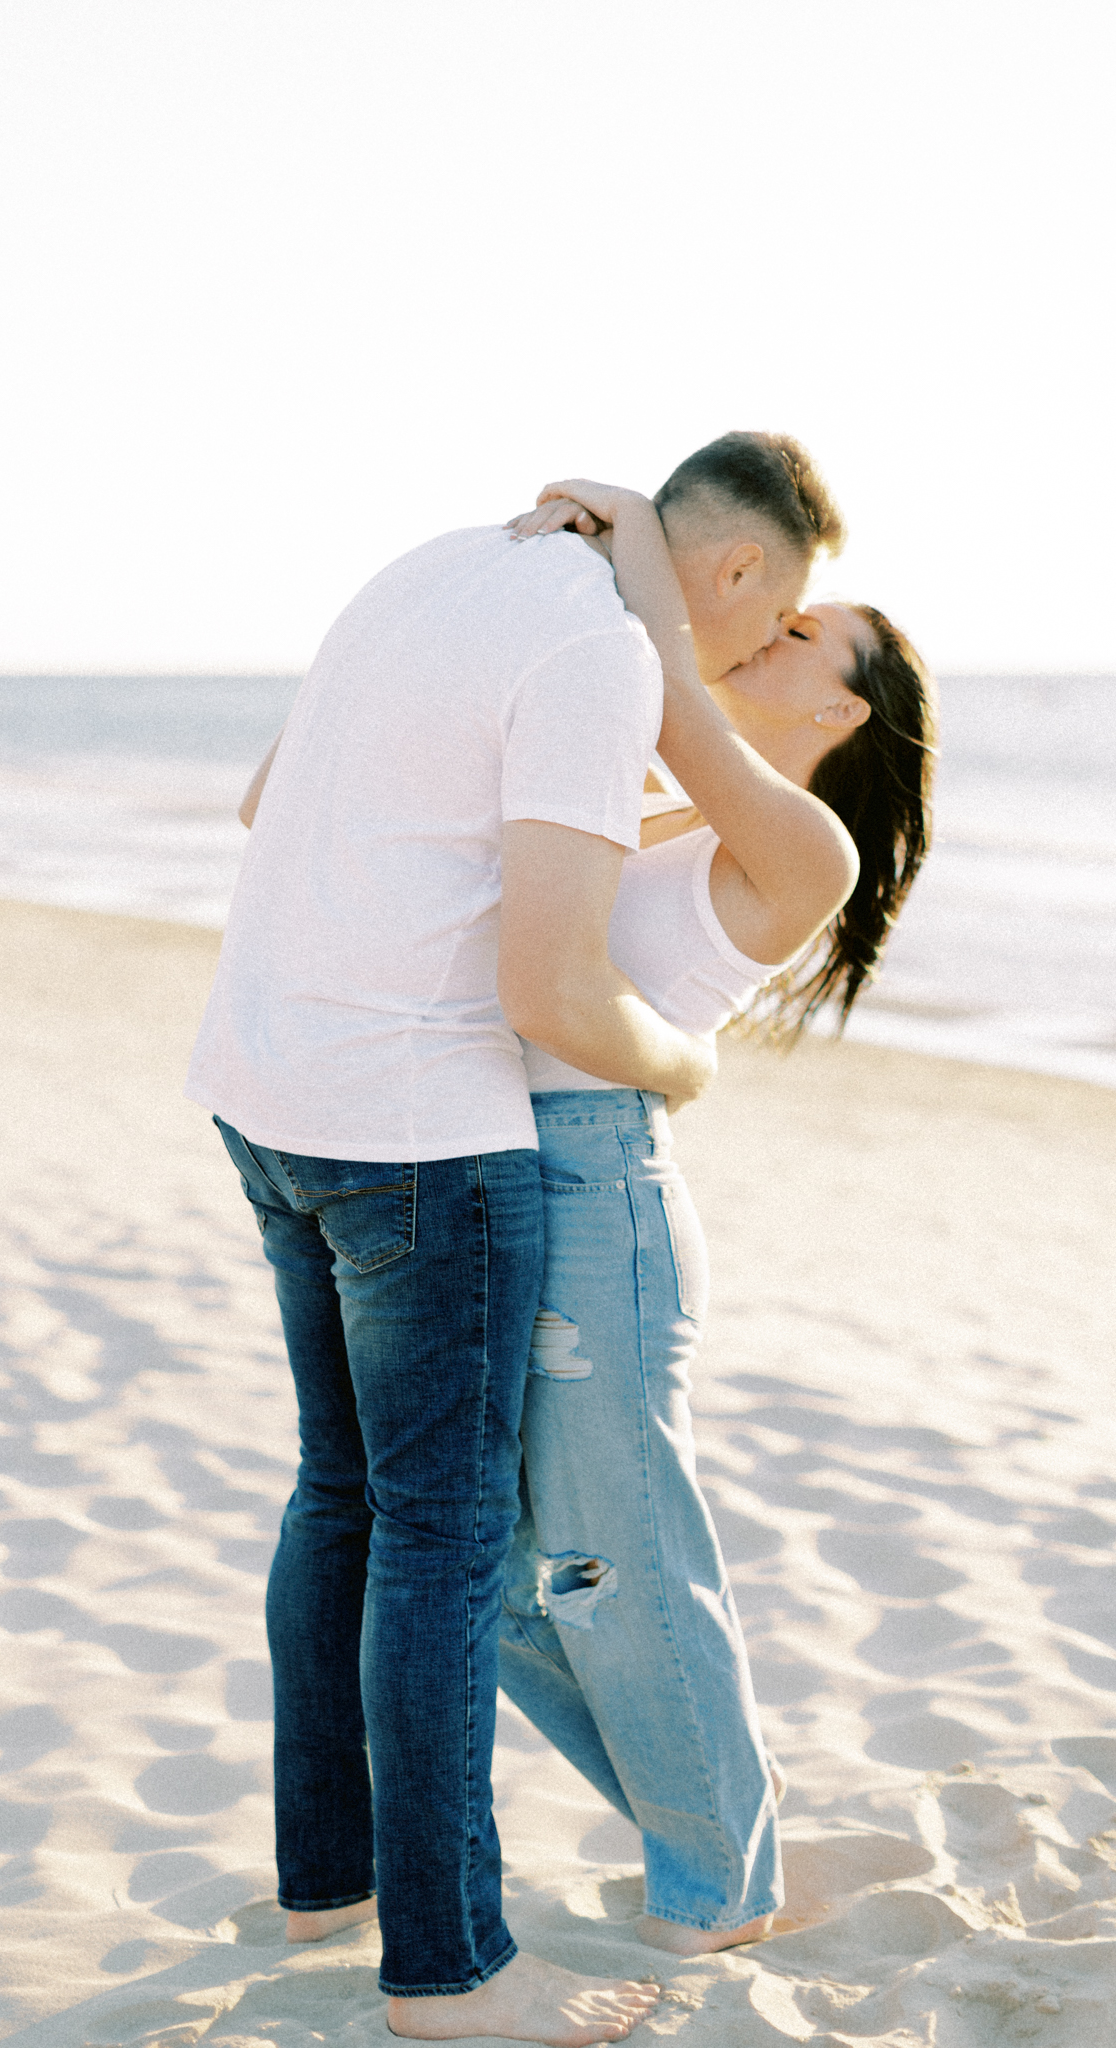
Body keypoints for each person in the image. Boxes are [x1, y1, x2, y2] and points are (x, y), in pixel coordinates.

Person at [185, 431, 839, 2043]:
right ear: (737, 568)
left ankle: (322, 1880)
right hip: (413, 1131)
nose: (758, 652)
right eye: (773, 619)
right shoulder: (600, 650)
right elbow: (547, 995)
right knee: (436, 1539)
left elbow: (268, 802)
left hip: (263, 1088)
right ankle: (450, 1974)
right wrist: (686, 1064)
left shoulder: (430, 568)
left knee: (339, 1497)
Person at [496, 474, 936, 1956]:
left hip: (599, 1199)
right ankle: (718, 1826)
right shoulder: (660, 789)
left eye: (806, 627)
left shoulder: (801, 842)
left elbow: (668, 673)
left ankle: (719, 1886)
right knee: (494, 1579)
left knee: (624, 1563)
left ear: (849, 711)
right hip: (503, 1174)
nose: (772, 627)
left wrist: (635, 536)